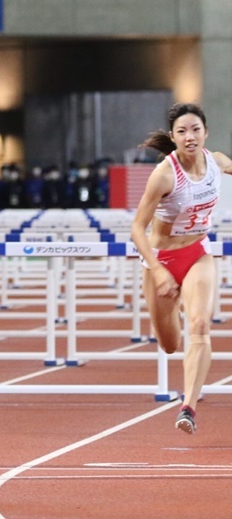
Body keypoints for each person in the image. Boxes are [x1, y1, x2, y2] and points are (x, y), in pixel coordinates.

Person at [131, 102, 232, 434]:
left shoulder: (216, 162)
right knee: (170, 344)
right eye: (182, 132)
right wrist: (159, 272)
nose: (190, 137)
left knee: (201, 323)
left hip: (198, 254)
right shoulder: (163, 174)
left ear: (206, 133)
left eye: (196, 130)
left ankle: (188, 407)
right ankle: (169, 309)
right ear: (173, 137)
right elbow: (137, 229)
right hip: (161, 261)